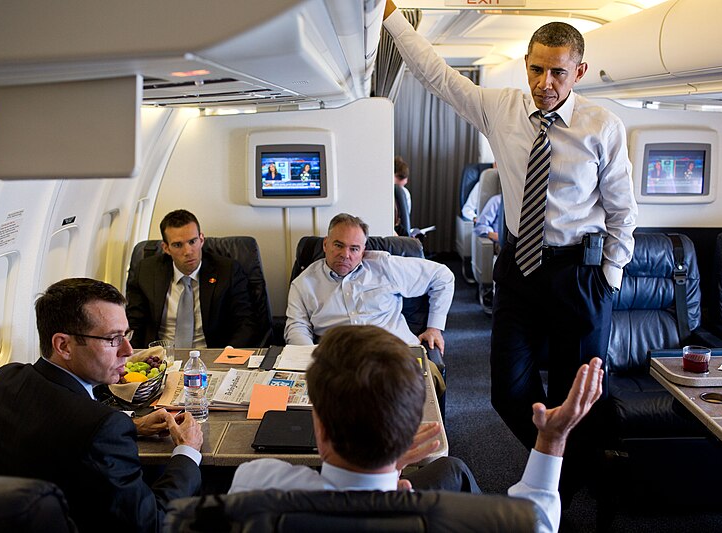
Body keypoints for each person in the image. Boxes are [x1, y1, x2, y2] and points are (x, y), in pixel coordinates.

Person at [383, 0, 638, 503]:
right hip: (520, 267)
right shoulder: (500, 107)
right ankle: (557, 457)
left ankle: (570, 476)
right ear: (526, 63)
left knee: (579, 394)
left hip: (580, 273)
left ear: (579, 71)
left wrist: (609, 278)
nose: (545, 82)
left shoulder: (601, 126)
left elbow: (622, 212)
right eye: (537, 68)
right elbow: (436, 75)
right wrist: (393, 18)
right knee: (506, 391)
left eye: (558, 72)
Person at [230, 325, 605, 533]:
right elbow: (538, 521)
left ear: (319, 429)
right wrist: (552, 440)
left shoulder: (254, 483)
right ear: (412, 427)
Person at [0, 277, 203, 532]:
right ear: (63, 345)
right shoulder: (104, 427)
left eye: (126, 335)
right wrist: (187, 452)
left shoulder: (5, 379)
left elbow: (57, 428)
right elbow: (152, 523)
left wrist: (134, 425)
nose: (128, 350)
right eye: (113, 339)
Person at [285, 213, 453, 358]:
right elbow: (297, 327)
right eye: (338, 245)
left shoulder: (384, 266)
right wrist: (309, 360)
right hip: (341, 363)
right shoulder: (304, 283)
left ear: (363, 250)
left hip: (396, 356)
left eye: (354, 249)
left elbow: (442, 276)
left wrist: (434, 327)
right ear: (325, 244)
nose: (345, 255)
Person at [126, 209, 265, 349]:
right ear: (166, 248)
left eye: (192, 241)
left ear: (202, 240)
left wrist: (227, 355)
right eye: (178, 245)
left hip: (211, 355)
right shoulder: (146, 272)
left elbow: (246, 323)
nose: (188, 251)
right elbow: (134, 323)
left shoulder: (227, 271)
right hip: (162, 358)